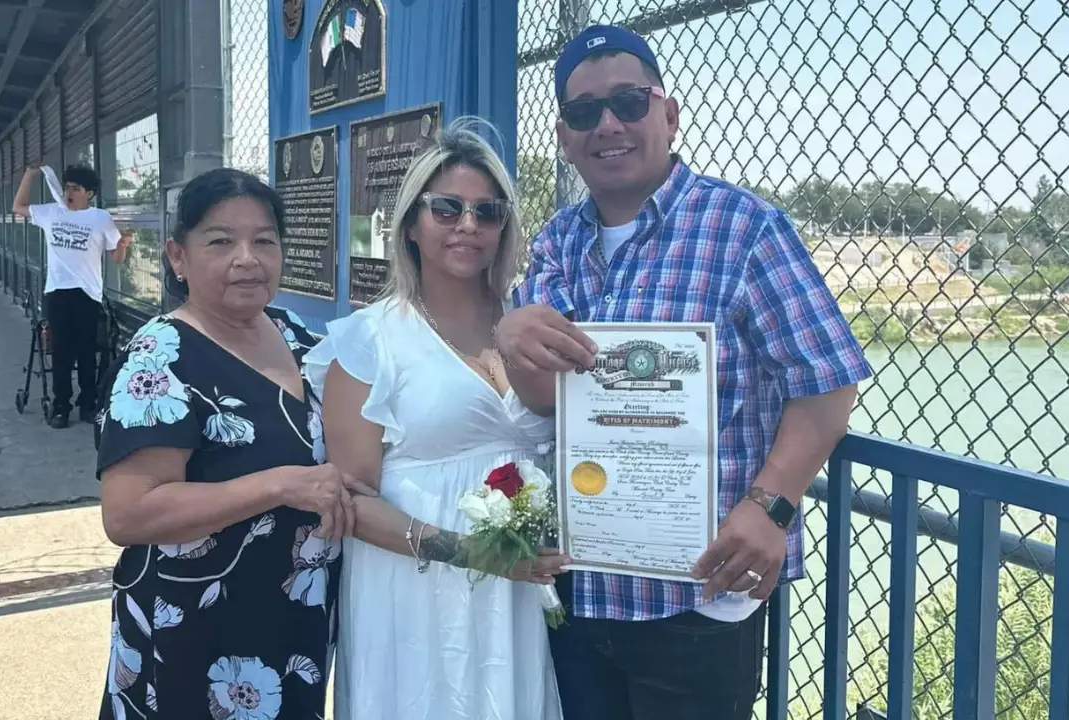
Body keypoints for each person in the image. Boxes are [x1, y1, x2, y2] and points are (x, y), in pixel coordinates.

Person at [496, 25, 874, 720]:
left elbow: (827, 380)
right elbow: (542, 399)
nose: (607, 124)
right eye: (584, 113)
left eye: (628, 102)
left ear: (668, 113)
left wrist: (771, 504)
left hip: (697, 598)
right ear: (563, 135)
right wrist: (511, 336)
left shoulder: (744, 226)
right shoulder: (556, 241)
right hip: (579, 587)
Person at [304, 117, 567, 720]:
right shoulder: (370, 341)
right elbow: (350, 499)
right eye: (446, 208)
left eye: (488, 211)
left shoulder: (530, 325)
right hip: (415, 590)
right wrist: (468, 551)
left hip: (515, 589)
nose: (468, 225)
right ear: (411, 225)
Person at [93, 167, 374, 720]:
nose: (248, 258)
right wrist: (279, 485)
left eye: (264, 241)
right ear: (178, 256)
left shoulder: (301, 338)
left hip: (291, 625)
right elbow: (127, 515)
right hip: (194, 632)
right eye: (221, 241)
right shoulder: (161, 358)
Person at [13, 164, 133, 429]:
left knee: (87, 352)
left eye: (75, 188)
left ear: (89, 193)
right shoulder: (51, 213)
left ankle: (88, 403)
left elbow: (116, 258)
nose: (69, 192)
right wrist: (30, 176)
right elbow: (18, 207)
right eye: (66, 187)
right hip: (57, 291)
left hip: (88, 294)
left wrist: (122, 245)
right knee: (61, 353)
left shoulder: (100, 218)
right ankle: (61, 406)